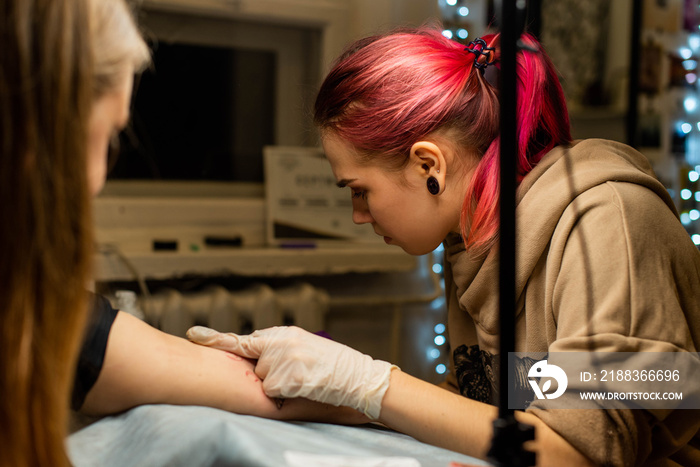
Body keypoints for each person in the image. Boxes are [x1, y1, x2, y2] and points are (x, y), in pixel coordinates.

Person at [187, 27, 700, 466]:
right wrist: (324, 391)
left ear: (428, 165)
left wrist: (368, 383)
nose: (357, 215)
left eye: (359, 190)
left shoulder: (609, 223)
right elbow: (484, 409)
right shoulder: (475, 241)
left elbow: (581, 453)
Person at [0, 1, 362, 465]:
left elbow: (120, 353)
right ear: (40, 136)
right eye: (107, 137)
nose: (96, 180)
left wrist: (366, 388)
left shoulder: (30, 306)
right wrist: (372, 390)